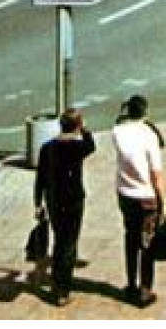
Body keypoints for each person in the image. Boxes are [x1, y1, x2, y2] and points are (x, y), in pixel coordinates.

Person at [34, 109, 96, 305]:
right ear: (77, 125)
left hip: (52, 198)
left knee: (60, 238)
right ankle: (62, 289)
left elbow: (40, 178)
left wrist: (37, 202)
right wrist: (84, 129)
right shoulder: (78, 147)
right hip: (73, 199)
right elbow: (91, 145)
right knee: (68, 243)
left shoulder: (47, 148)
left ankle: (57, 282)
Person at [112, 95, 166, 308]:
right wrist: (164, 202)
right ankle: (146, 289)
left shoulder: (117, 132)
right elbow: (156, 175)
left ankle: (131, 284)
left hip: (125, 194)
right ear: (145, 112)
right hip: (146, 197)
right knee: (147, 242)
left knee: (130, 238)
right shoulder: (149, 136)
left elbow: (118, 121)